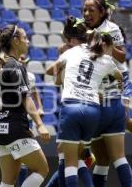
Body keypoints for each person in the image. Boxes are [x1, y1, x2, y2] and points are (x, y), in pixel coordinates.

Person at [83, 0, 132, 170]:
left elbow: (122, 57)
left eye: (91, 10)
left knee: (121, 119)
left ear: (102, 12)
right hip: (96, 81)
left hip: (118, 79)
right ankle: (87, 153)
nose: (86, 14)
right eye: (84, 10)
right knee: (91, 118)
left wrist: (107, 45)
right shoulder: (83, 29)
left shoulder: (111, 29)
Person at [46, 21, 123, 187]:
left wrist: (60, 70)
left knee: (66, 157)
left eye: (66, 38)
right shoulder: (100, 56)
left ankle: (86, 154)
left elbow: (56, 80)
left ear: (72, 39)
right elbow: (118, 75)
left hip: (71, 105)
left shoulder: (69, 52)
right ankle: (86, 152)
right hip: (92, 108)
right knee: (74, 156)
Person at [0, 24, 50, 187]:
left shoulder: (2, 65)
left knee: (7, 182)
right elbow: (26, 99)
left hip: (1, 129)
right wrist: (40, 124)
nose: (27, 42)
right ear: (15, 41)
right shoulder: (15, 66)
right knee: (42, 170)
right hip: (15, 129)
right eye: (25, 38)